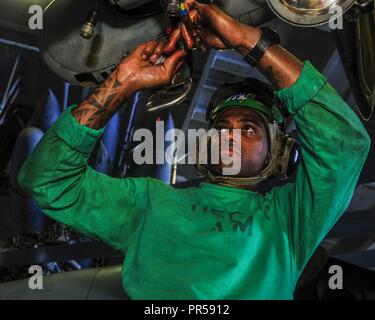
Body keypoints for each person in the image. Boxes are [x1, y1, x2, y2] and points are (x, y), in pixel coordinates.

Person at [17, 1, 370, 299]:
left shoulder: (290, 218)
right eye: (221, 126)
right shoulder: (150, 203)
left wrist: (248, 40)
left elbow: (346, 145)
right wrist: (122, 84)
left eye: (248, 128)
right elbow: (47, 179)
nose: (229, 135)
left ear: (277, 151)